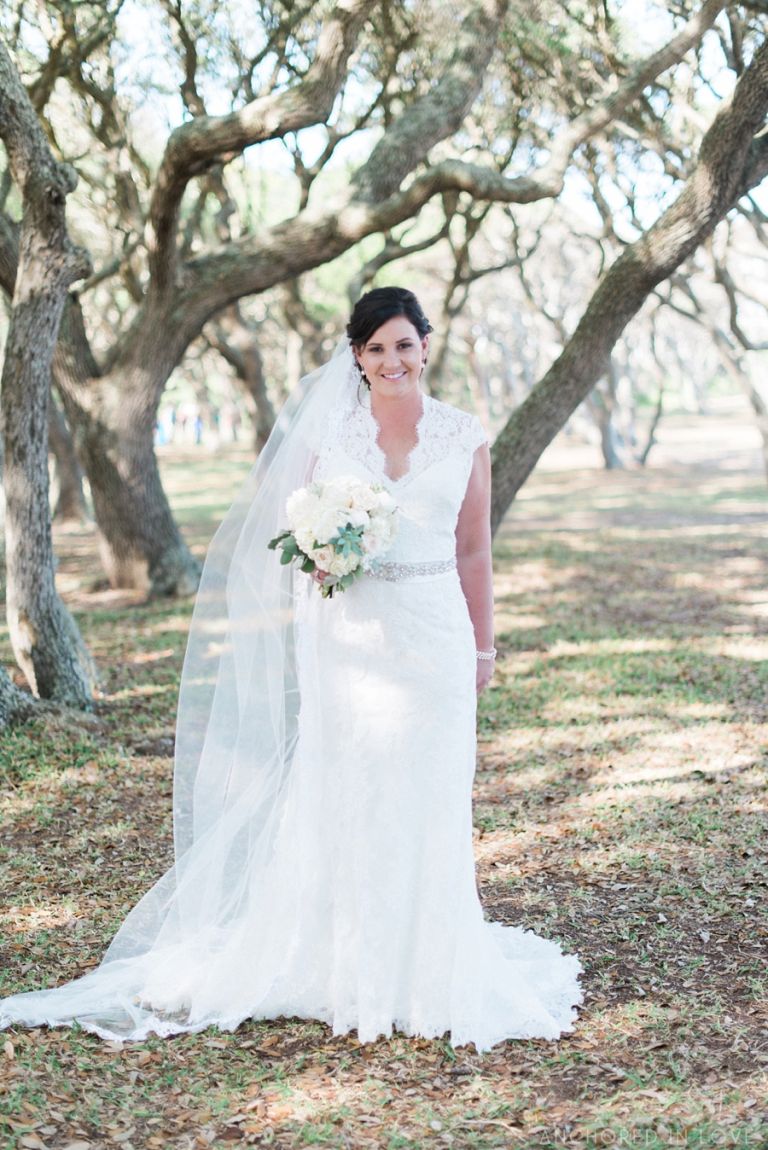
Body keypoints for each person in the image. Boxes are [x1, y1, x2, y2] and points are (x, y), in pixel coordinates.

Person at [0, 287, 583, 1052]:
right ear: (356, 359)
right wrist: (326, 559)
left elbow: (474, 549)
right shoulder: (331, 439)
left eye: (404, 344)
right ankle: (346, 954)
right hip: (354, 646)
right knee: (355, 788)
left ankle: (428, 955)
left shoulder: (465, 436)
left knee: (432, 794)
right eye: (375, 349)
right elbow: (302, 544)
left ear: (426, 347)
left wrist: (483, 645)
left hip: (437, 638)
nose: (392, 360)